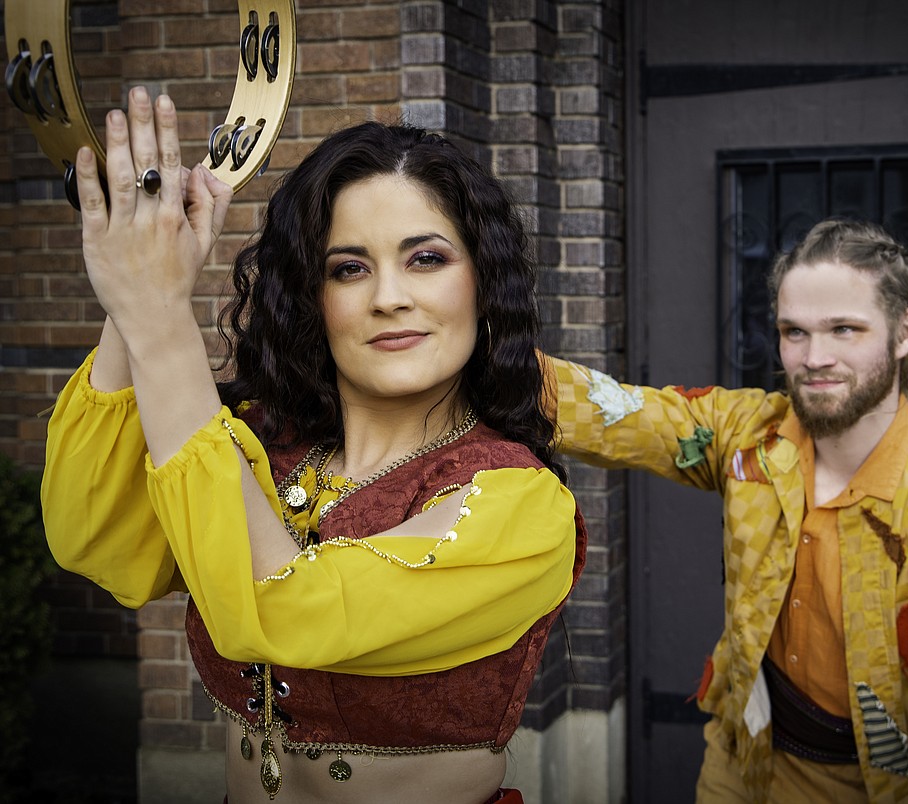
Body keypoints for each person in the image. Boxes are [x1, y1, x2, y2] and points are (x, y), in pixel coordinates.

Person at [41, 86, 585, 804]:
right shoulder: (264, 446)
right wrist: (132, 296)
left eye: (426, 259)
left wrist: (159, 316)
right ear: (309, 296)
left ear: (482, 285)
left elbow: (283, 612)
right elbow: (95, 539)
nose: (388, 296)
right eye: (348, 268)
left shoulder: (519, 506)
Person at [543, 219, 908, 803]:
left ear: (905, 332)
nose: (814, 357)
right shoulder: (750, 433)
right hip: (742, 758)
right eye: (794, 332)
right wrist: (455, 347)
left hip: (884, 789)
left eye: (844, 329)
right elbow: (616, 414)